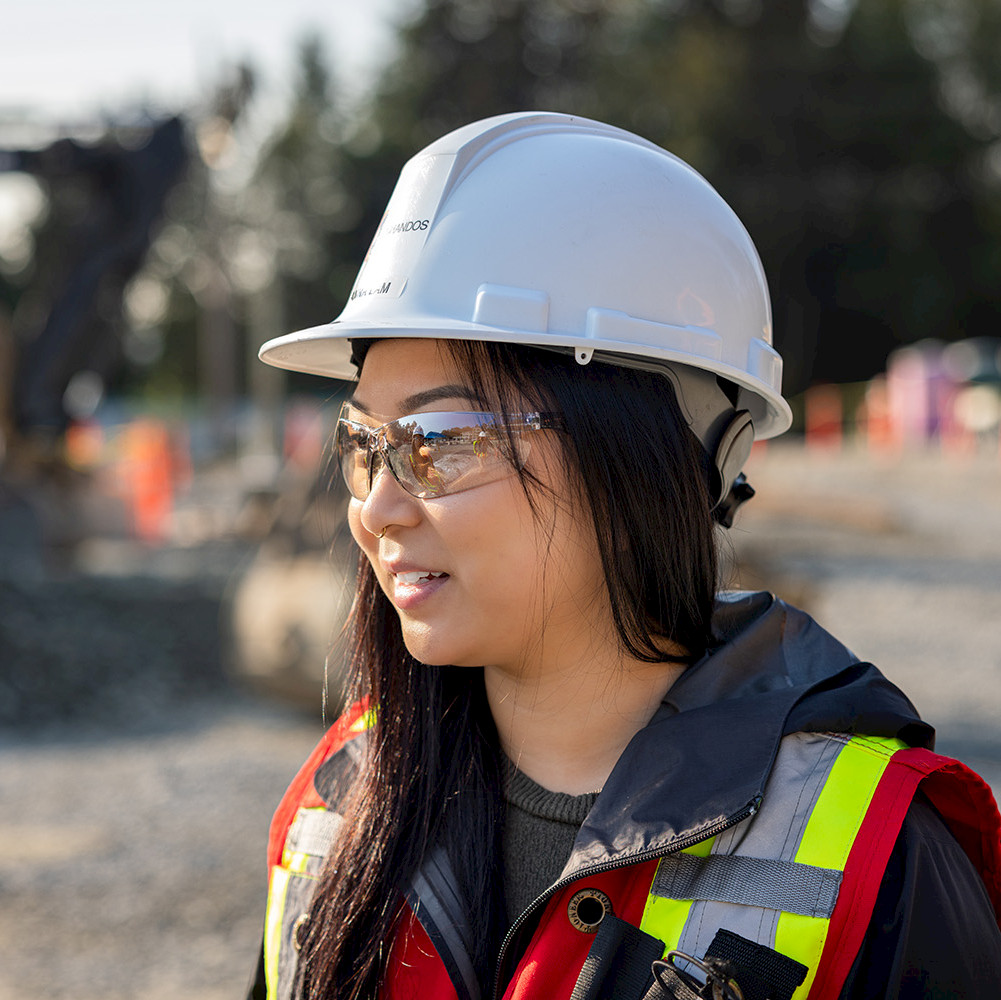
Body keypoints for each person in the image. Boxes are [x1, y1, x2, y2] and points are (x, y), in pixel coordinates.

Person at [249, 113, 1001, 1000]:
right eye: (365, 442)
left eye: (442, 441)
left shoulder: (874, 854)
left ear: (654, 456)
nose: (375, 507)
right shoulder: (341, 803)